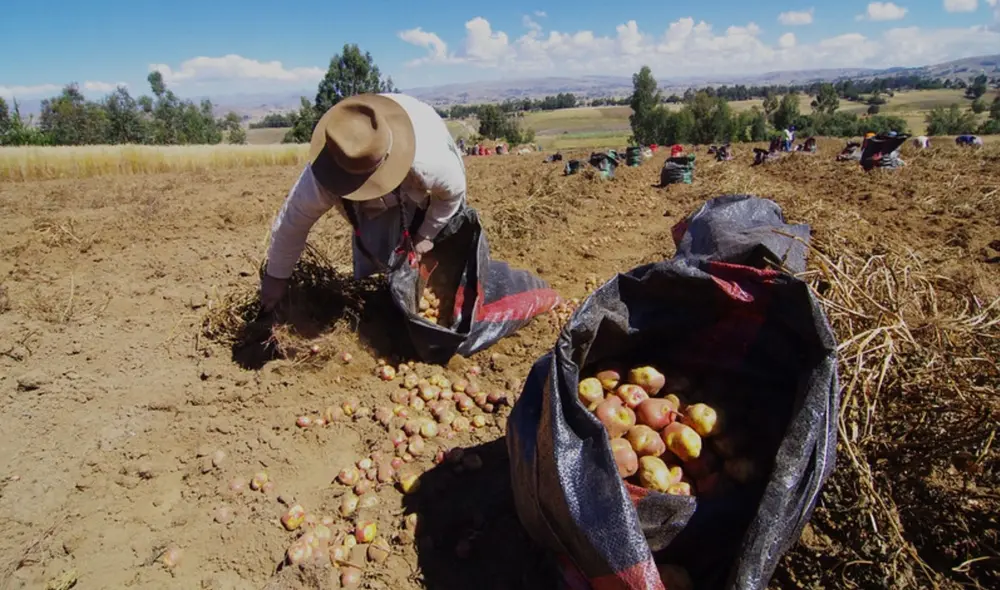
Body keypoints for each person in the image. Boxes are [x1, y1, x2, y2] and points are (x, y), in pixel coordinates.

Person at [259, 93, 467, 311]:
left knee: (440, 240)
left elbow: (452, 194)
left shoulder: (428, 161)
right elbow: (292, 224)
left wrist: (426, 235)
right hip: (376, 181)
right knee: (377, 242)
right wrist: (276, 277)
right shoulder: (324, 171)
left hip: (422, 161)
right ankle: (387, 296)